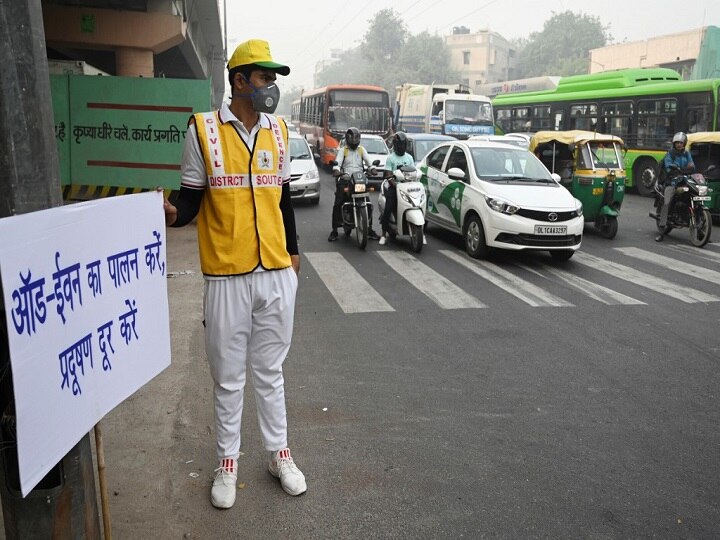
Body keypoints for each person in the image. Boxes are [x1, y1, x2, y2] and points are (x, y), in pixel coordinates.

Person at [162, 38, 306, 509]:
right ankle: (228, 462)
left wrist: (295, 255)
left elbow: (282, 201)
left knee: (271, 371)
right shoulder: (202, 130)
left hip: (275, 273)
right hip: (226, 276)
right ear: (239, 81)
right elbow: (189, 201)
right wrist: (170, 214)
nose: (271, 88)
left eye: (273, 80)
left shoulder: (280, 131)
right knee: (228, 377)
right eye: (264, 78)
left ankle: (278, 454)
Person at [328, 127, 380, 241]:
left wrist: (372, 169)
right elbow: (337, 163)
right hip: (346, 179)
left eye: (356, 141)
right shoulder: (343, 150)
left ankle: (369, 229)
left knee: (368, 203)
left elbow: (369, 163)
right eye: (352, 141)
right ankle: (335, 230)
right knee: (338, 203)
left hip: (360, 179)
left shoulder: (361, 150)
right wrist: (337, 170)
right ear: (347, 140)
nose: (354, 143)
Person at [656, 131, 695, 242]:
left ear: (684, 144)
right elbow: (669, 168)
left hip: (685, 181)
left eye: (681, 143)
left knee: (695, 196)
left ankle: (701, 230)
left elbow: (692, 166)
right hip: (672, 182)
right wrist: (678, 169)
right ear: (674, 144)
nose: (679, 144)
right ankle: (662, 231)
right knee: (667, 202)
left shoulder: (687, 154)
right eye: (677, 143)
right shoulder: (670, 154)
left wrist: (683, 169)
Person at [379, 131, 415, 245]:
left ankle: (420, 232)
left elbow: (414, 172)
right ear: (395, 145)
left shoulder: (409, 158)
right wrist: (396, 184)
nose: (402, 147)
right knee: (389, 208)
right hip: (394, 187)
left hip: (408, 188)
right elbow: (388, 174)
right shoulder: (391, 158)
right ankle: (383, 234)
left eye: (404, 145)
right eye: (400, 144)